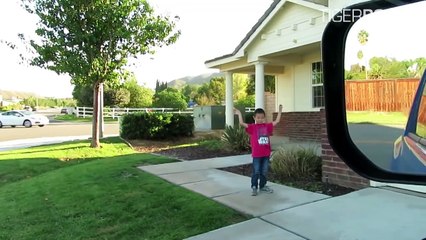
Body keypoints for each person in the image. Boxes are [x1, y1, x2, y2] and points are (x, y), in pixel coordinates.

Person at [234, 105, 283, 196]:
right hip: (256, 155)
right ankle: (254, 186)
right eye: (258, 117)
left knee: (264, 171)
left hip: (266, 154)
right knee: (256, 171)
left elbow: (277, 121)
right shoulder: (252, 127)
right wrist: (239, 113)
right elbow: (241, 123)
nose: (260, 119)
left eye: (262, 117)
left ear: (264, 118)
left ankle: (262, 186)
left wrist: (280, 111)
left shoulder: (267, 126)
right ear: (254, 118)